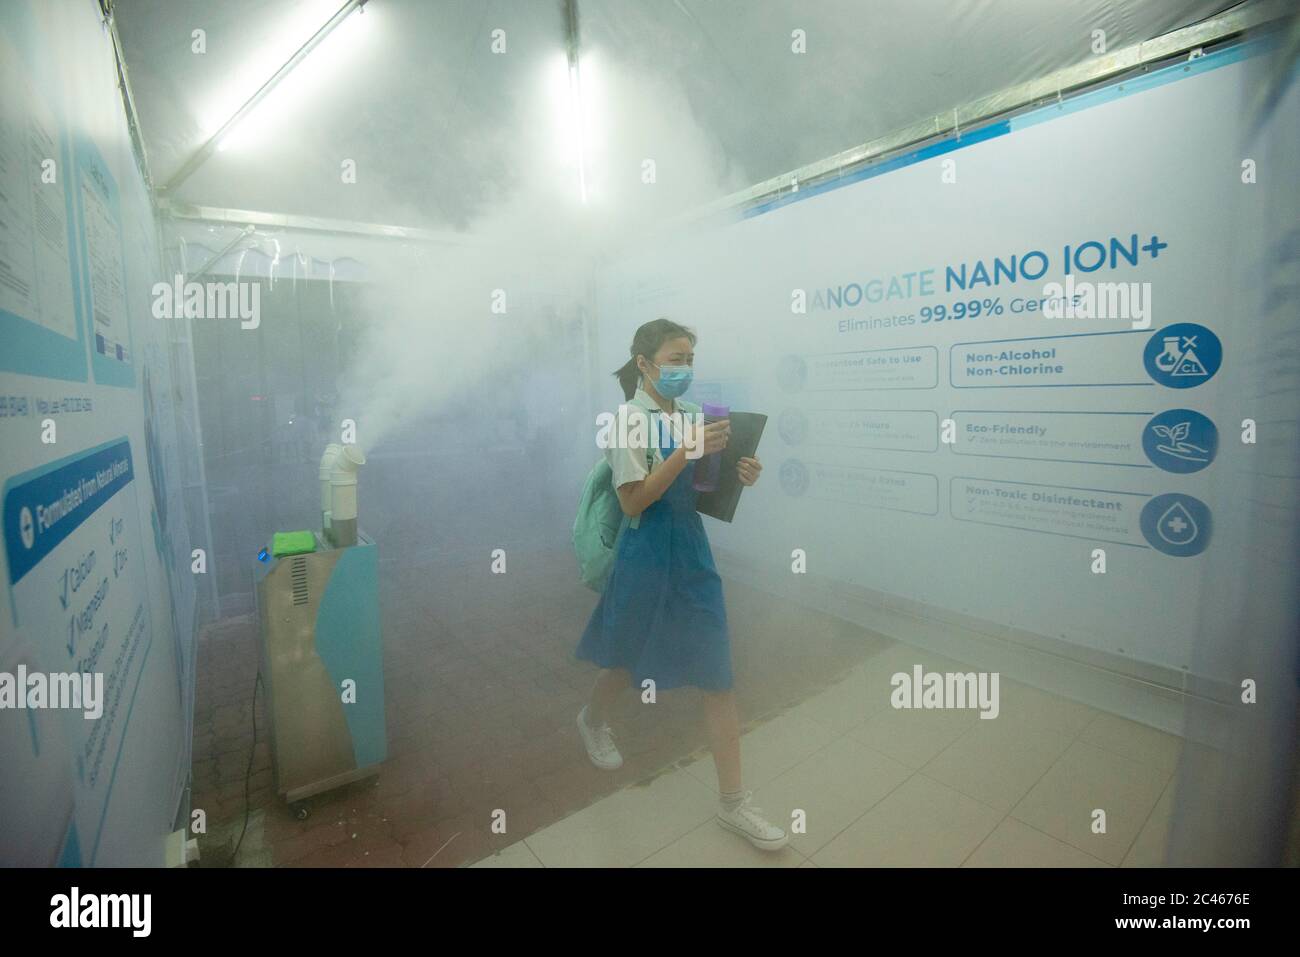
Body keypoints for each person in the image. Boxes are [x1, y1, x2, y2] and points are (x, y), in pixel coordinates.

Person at [574, 318, 787, 851]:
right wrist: (686, 451)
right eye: (674, 359)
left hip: (690, 550)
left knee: (717, 671)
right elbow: (633, 501)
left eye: (689, 359)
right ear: (645, 364)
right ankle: (592, 719)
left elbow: (704, 494)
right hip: (644, 549)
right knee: (623, 656)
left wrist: (741, 472)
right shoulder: (626, 421)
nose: (684, 369)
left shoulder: (696, 416)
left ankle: (735, 803)